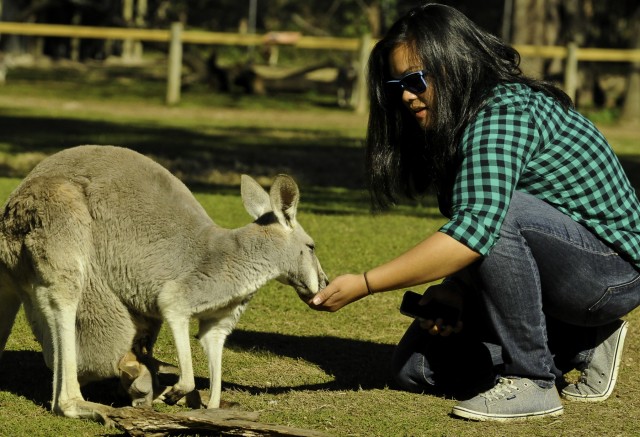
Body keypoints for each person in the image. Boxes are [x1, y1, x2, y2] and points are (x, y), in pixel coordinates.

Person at [308, 3, 640, 422]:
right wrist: (456, 288)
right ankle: (581, 343)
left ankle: (532, 379)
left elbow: (481, 225)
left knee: (501, 215)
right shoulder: (458, 125)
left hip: (611, 274)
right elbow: (482, 228)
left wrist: (367, 283)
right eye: (397, 87)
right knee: (415, 370)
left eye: (416, 81)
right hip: (555, 268)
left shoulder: (504, 110)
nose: (407, 96)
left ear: (454, 64)